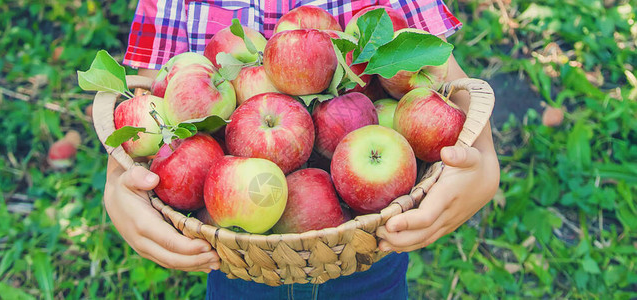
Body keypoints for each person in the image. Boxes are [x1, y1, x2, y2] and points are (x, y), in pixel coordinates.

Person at [104, 0, 500, 298]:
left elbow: (429, 62)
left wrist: (482, 162)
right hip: (236, 254)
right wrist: (120, 180)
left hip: (367, 240)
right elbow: (156, 94)